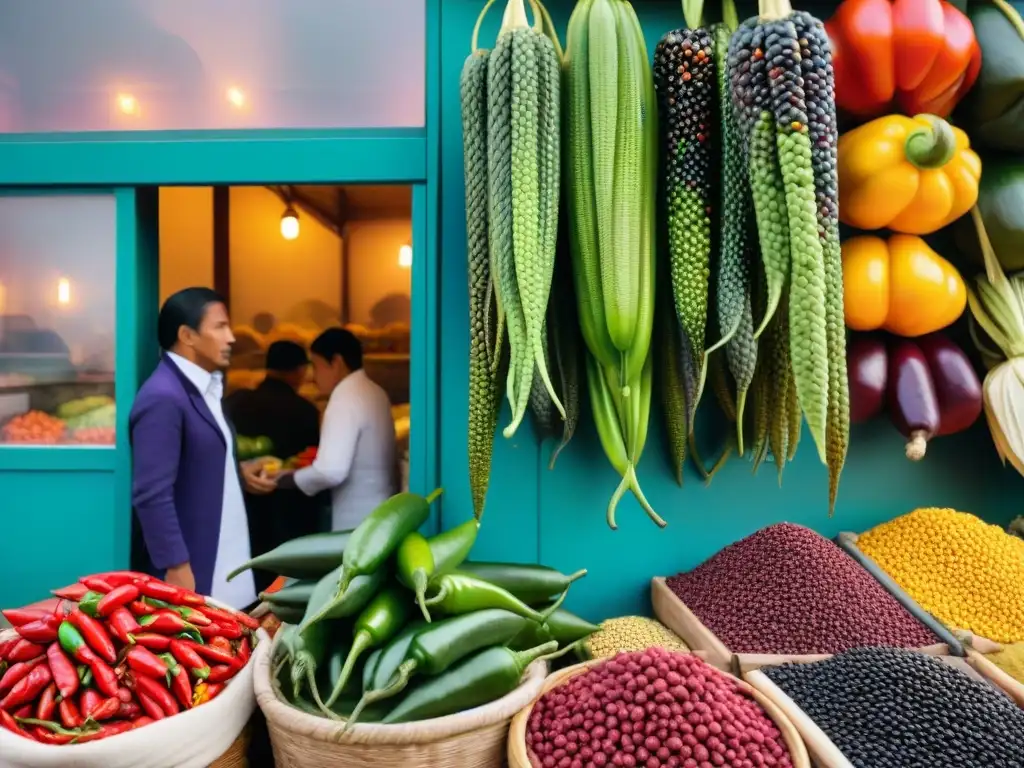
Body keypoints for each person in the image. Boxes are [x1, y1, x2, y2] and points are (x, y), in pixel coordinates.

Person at [129, 287, 274, 610]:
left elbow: (198, 458)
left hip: (227, 561)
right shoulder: (163, 397)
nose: (232, 337)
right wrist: (176, 566)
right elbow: (151, 493)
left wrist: (236, 473)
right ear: (187, 335)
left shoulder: (204, 387)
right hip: (195, 572)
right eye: (220, 327)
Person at [273, 328, 398, 531]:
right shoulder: (375, 391)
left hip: (355, 520)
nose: (313, 377)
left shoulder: (344, 397)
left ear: (337, 363)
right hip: (383, 515)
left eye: (316, 365)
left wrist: (287, 480)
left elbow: (330, 471)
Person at [223, 340, 323, 593]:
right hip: (290, 512)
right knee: (284, 581)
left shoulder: (235, 403)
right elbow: (312, 459)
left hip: (244, 508)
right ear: (301, 371)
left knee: (247, 574)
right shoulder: (305, 411)